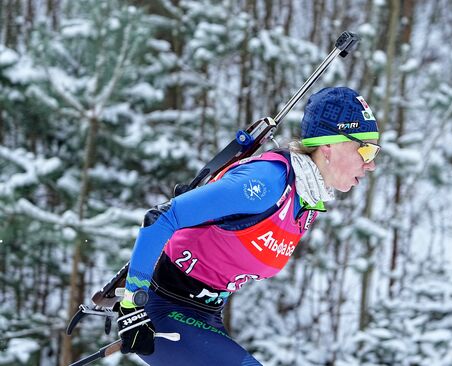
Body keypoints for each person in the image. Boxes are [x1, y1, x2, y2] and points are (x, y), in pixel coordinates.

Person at [116, 86, 381, 365]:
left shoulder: (305, 200)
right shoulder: (266, 183)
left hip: (205, 317)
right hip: (163, 310)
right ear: (329, 145)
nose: (371, 164)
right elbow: (160, 219)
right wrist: (132, 307)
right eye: (365, 149)